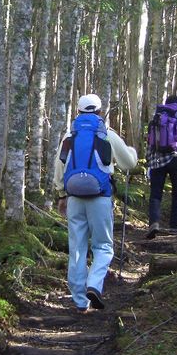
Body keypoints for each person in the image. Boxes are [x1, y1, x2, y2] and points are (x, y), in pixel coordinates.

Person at [54, 94, 138, 313]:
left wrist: (61, 195)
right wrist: (133, 152)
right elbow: (129, 163)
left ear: (78, 112)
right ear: (100, 111)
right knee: (103, 246)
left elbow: (59, 167)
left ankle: (80, 302)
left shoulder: (69, 135)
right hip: (100, 197)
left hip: (74, 198)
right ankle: (94, 284)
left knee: (77, 248)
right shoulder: (106, 134)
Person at [145, 95, 177, 238]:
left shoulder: (155, 121)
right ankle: (174, 225)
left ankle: (154, 222)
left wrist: (149, 162)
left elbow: (150, 144)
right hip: (175, 159)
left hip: (156, 162)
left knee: (155, 194)